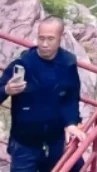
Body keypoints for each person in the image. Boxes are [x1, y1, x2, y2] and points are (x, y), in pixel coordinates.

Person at [0, 15, 84, 172]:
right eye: (41, 38)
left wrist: (71, 122)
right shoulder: (23, 64)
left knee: (74, 165)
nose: (44, 44)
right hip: (25, 143)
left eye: (50, 39)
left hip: (55, 141)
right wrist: (6, 90)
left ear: (61, 37)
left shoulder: (67, 63)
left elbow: (71, 98)